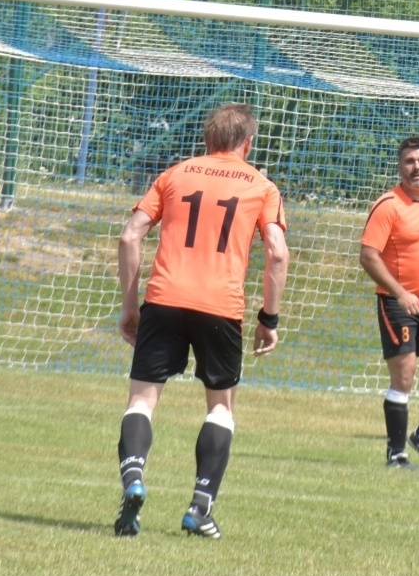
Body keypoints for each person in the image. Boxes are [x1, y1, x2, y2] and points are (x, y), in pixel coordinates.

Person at [113, 103, 289, 539]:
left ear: (207, 139)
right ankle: (199, 508)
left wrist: (131, 307)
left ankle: (133, 480)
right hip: (220, 307)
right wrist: (269, 318)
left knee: (141, 402)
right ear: (248, 143)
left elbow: (130, 235)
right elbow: (278, 253)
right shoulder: (261, 186)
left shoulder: (176, 174)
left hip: (164, 299)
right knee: (221, 408)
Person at [360, 136, 419, 470]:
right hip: (397, 303)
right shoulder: (388, 205)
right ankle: (396, 454)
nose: (417, 167)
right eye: (410, 161)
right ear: (400, 166)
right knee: (404, 375)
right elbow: (368, 256)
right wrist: (401, 293)